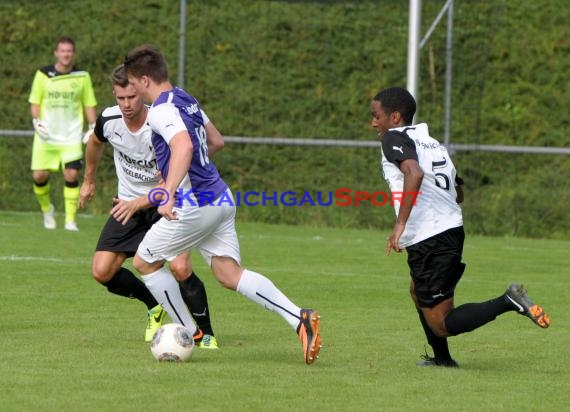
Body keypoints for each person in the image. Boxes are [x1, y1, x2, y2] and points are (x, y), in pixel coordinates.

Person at [123, 44, 322, 365]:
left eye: (133, 84)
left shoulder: (160, 110)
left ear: (144, 79)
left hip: (196, 203)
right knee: (228, 273)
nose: (133, 91)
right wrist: (189, 171)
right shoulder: (186, 99)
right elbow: (216, 141)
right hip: (220, 197)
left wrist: (171, 189)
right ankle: (300, 318)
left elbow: (184, 144)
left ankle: (188, 333)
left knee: (145, 261)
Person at [370, 86, 550, 367]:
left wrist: (400, 224)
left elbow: (413, 173)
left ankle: (509, 300)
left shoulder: (394, 137)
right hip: (448, 229)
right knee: (417, 291)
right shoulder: (430, 142)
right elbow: (458, 191)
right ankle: (442, 359)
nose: (373, 123)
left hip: (431, 237)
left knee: (442, 323)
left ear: (394, 117)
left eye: (376, 116)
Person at [78, 64, 219, 348]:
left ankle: (206, 334)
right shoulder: (108, 119)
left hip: (167, 203)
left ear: (141, 92)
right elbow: (94, 143)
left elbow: (206, 144)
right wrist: (88, 180)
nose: (127, 104)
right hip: (128, 205)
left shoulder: (162, 118)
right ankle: (154, 304)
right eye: (121, 98)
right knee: (102, 271)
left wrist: (169, 177)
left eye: (132, 97)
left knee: (180, 266)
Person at [29, 36, 97, 231]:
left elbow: (89, 103)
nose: (66, 54)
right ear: (56, 53)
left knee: (71, 173)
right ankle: (47, 210)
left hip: (71, 137)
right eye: (62, 51)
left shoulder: (82, 76)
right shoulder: (43, 74)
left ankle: (70, 220)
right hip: (46, 137)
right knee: (39, 176)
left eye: (69, 51)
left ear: (73, 54)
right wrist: (36, 121)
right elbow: (35, 101)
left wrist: (92, 126)